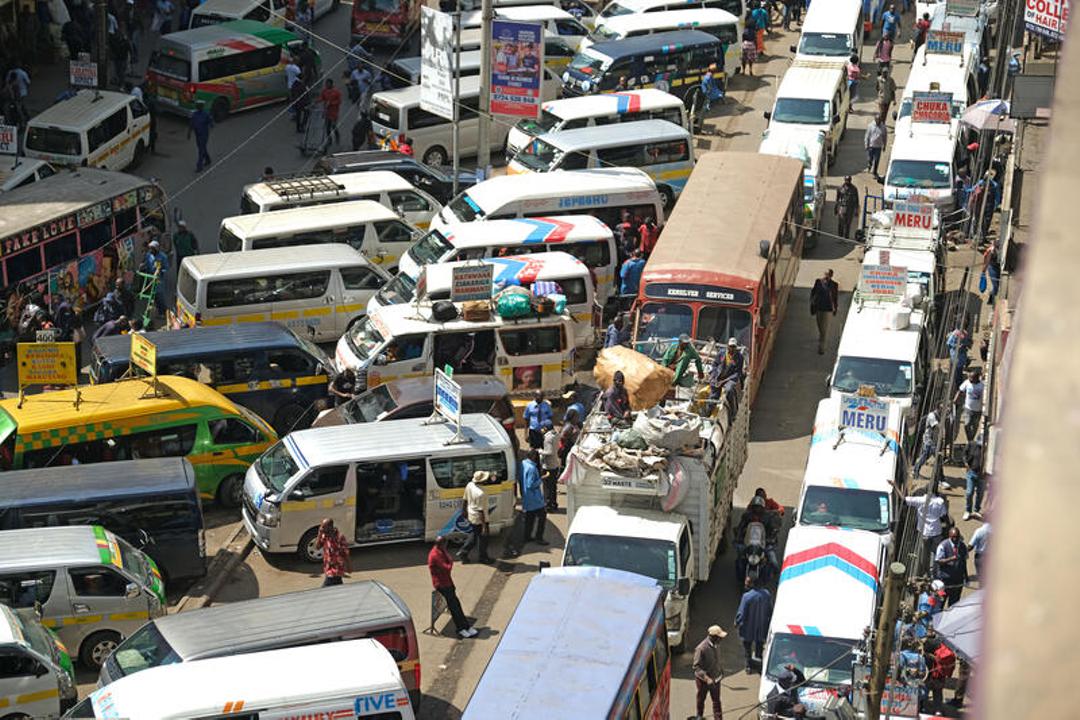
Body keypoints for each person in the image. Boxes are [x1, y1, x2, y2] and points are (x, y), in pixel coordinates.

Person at [428, 536, 478, 638]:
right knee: (454, 607)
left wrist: (449, 561)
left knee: (456, 606)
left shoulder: (441, 551)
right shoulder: (435, 555)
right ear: (441, 544)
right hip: (442, 585)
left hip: (448, 583)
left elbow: (448, 559)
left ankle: (466, 626)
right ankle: (460, 629)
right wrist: (450, 562)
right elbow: (447, 567)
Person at [735, 577, 772, 674]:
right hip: (762, 627)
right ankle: (759, 666)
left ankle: (749, 667)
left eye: (747, 582)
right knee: (759, 648)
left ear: (752, 584)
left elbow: (741, 613)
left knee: (747, 649)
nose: (745, 584)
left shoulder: (746, 596)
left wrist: (737, 622)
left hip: (748, 628)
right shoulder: (767, 595)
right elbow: (770, 610)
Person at [457, 471, 494, 564]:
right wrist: (484, 526)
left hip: (471, 514)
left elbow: (465, 499)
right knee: (483, 539)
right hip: (480, 518)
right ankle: (483, 557)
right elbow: (481, 511)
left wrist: (464, 511)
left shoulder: (470, 485)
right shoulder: (481, 493)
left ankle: (463, 552)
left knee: (473, 536)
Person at [693, 625, 726, 720]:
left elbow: (717, 660)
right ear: (713, 637)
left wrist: (720, 670)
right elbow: (696, 667)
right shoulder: (701, 648)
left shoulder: (717, 645)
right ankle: (699, 716)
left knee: (716, 702)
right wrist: (707, 679)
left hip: (716, 679)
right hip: (703, 681)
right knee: (701, 700)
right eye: (719, 637)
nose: (721, 639)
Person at [520, 450, 548, 545]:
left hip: (526, 497)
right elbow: (530, 484)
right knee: (542, 517)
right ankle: (539, 537)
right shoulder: (532, 468)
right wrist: (541, 479)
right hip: (534, 499)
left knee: (529, 518)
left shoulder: (523, 464)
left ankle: (526, 536)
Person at [934, 526, 965, 605]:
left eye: (957, 537)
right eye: (953, 537)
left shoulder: (962, 546)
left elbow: (964, 562)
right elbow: (938, 561)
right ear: (949, 536)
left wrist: (966, 577)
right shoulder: (943, 545)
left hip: (957, 580)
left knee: (954, 604)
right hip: (945, 580)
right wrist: (950, 559)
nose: (955, 539)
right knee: (940, 603)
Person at [809, 269, 839, 355]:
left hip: (828, 309)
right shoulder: (818, 282)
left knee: (824, 329)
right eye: (826, 274)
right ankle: (821, 337)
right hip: (818, 308)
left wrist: (835, 308)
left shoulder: (834, 285)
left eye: (828, 274)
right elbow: (813, 292)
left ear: (831, 275)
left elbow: (835, 298)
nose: (827, 276)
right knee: (820, 326)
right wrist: (812, 301)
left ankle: (821, 348)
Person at [315, 518, 351, 586]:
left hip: (336, 569)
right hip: (328, 567)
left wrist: (349, 566)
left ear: (329, 527)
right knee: (337, 586)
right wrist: (319, 534)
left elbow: (345, 552)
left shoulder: (340, 537)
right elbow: (317, 547)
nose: (321, 528)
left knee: (324, 590)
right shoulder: (324, 536)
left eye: (323, 527)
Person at [953, 368, 984, 447]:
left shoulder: (982, 386)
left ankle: (971, 440)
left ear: (976, 378)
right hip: (968, 409)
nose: (969, 379)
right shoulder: (967, 383)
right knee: (967, 425)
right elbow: (960, 390)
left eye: (971, 378)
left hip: (978, 410)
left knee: (975, 425)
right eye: (969, 377)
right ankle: (970, 440)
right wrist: (955, 400)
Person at [925, 637, 956, 710]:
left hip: (929, 677)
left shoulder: (928, 657)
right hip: (940, 677)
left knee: (924, 692)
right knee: (938, 694)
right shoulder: (943, 654)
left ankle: (922, 707)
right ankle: (938, 710)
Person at [708, 337, 744, 402]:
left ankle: (731, 408)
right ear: (727, 346)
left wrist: (724, 381)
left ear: (736, 347)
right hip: (719, 376)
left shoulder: (739, 357)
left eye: (734, 347)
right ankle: (710, 407)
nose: (732, 348)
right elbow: (715, 365)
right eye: (731, 346)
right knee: (713, 391)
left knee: (729, 389)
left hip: (729, 379)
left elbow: (738, 373)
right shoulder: (721, 353)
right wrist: (713, 376)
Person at [912, 404, 942, 478]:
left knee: (925, 456)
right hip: (929, 439)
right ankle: (941, 478)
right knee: (936, 457)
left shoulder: (939, 415)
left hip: (933, 440)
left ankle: (915, 470)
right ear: (938, 408)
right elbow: (937, 426)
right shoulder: (932, 416)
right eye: (943, 408)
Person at [142, 240, 169, 316]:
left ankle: (163, 311)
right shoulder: (148, 255)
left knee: (159, 295)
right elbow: (146, 264)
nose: (151, 250)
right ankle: (157, 310)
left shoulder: (163, 257)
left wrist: (160, 272)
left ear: (156, 249)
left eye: (152, 249)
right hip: (150, 277)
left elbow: (166, 268)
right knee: (153, 296)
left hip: (158, 279)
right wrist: (143, 267)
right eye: (150, 248)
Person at [187, 100, 213, 172]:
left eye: (199, 106)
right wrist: (189, 133)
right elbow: (191, 124)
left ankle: (199, 166)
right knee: (201, 147)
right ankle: (208, 159)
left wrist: (211, 126)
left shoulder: (206, 114)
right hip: (197, 134)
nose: (198, 107)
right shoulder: (194, 114)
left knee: (201, 150)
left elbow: (210, 122)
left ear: (202, 106)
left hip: (204, 134)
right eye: (197, 106)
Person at [540, 421, 560, 511]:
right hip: (555, 464)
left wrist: (540, 451)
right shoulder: (556, 434)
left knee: (547, 487)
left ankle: (548, 505)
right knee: (553, 486)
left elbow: (549, 452)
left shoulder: (548, 438)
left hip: (548, 466)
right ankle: (553, 503)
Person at [963, 438, 985, 520]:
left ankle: (976, 510)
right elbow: (964, 454)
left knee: (980, 493)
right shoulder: (971, 444)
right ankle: (968, 510)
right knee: (969, 492)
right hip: (971, 472)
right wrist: (966, 464)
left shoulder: (989, 448)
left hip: (982, 475)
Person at [320, 79, 342, 149]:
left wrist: (331, 103)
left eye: (328, 84)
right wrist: (314, 102)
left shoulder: (336, 92)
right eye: (326, 84)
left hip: (334, 112)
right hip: (327, 112)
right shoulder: (324, 91)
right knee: (327, 127)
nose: (326, 85)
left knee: (333, 126)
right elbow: (321, 98)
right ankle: (329, 140)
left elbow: (339, 101)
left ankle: (337, 137)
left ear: (331, 84)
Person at [865, 114, 887, 181]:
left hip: (878, 147)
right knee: (870, 158)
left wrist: (884, 145)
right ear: (875, 120)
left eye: (879, 120)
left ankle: (874, 172)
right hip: (871, 146)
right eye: (877, 120)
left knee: (877, 160)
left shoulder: (883, 127)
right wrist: (866, 145)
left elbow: (885, 137)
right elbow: (867, 136)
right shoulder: (870, 126)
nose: (878, 121)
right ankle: (869, 165)